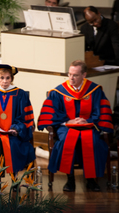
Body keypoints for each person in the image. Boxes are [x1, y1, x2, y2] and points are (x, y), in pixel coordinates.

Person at [38, 60, 113, 192]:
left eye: (75, 75)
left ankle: (91, 180)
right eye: (69, 74)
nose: (71, 78)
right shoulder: (59, 92)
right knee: (67, 141)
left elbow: (99, 111)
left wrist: (87, 121)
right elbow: (53, 112)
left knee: (94, 142)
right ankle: (70, 179)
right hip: (66, 127)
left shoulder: (94, 90)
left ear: (84, 75)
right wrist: (68, 121)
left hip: (89, 126)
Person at [0, 64, 35, 175]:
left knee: (12, 144)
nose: (5, 81)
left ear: (11, 79)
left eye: (8, 78)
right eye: (2, 78)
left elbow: (25, 116)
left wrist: (16, 129)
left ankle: (14, 178)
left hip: (13, 134)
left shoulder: (20, 94)